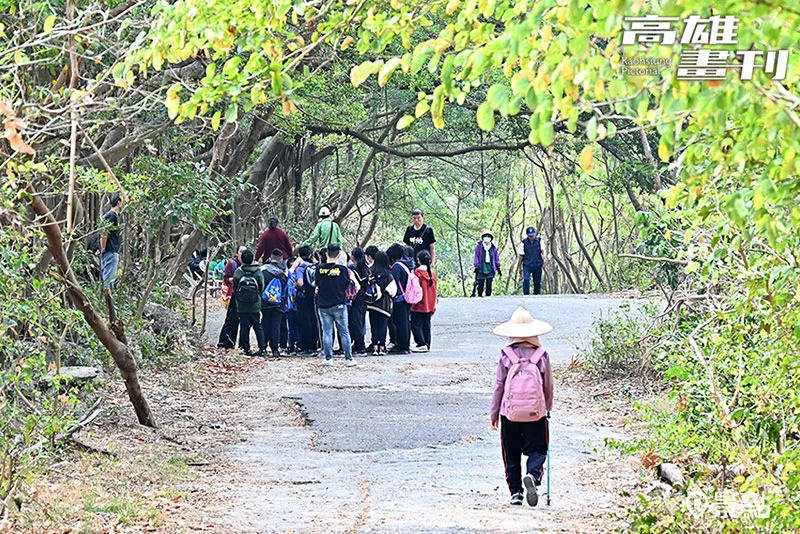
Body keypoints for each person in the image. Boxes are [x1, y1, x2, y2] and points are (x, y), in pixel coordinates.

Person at [489, 305, 553, 507]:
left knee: (511, 451)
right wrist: (547, 408)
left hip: (510, 414)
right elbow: (548, 385)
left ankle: (515, 492)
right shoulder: (541, 355)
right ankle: (533, 476)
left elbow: (499, 385)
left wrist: (494, 413)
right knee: (539, 448)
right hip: (536, 413)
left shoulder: (506, 355)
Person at [314, 244, 356, 367]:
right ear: (338, 256)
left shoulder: (319, 269)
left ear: (326, 254)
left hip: (323, 305)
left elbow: (316, 284)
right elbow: (346, 284)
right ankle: (348, 359)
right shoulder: (343, 270)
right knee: (344, 331)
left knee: (327, 332)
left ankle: (328, 358)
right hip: (339, 304)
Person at [233, 249, 267, 357]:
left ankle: (246, 349)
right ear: (253, 259)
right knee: (258, 326)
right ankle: (262, 348)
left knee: (244, 326)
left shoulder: (238, 271)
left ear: (241, 259)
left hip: (242, 305)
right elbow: (262, 286)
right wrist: (257, 298)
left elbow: (235, 286)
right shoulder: (258, 271)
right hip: (255, 304)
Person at [260, 249, 288, 357]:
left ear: (270, 258)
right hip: (278, 302)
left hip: (265, 301)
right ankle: (275, 349)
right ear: (281, 260)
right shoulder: (284, 272)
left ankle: (263, 347)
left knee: (265, 323)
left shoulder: (263, 270)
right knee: (276, 325)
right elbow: (286, 288)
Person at [365, 251, 394, 355]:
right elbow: (392, 291)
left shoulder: (370, 272)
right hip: (384, 305)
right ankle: (381, 347)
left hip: (372, 304)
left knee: (374, 325)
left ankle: (374, 346)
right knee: (382, 325)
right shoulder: (388, 274)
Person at [217, 245, 246, 349]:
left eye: (244, 252)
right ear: (237, 253)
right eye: (241, 251)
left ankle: (242, 345)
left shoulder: (247, 264)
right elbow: (226, 278)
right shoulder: (232, 264)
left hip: (244, 296)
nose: (242, 254)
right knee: (231, 319)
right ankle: (225, 342)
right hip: (232, 294)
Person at [291, 245, 318, 355]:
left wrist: (296, 285)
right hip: (313, 296)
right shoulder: (314, 266)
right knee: (313, 320)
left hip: (303, 297)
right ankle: (314, 346)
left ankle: (305, 347)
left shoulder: (301, 268)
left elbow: (300, 282)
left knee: (303, 322)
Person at [387, 243, 413, 354]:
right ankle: (405, 345)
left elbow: (393, 281)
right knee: (405, 322)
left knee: (400, 322)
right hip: (406, 297)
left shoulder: (397, 266)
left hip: (399, 298)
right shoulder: (407, 263)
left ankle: (402, 347)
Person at [410, 250, 437, 353]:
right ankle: (427, 344)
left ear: (418, 260)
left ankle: (421, 343)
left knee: (415, 324)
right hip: (430, 304)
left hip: (419, 304)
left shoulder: (417, 273)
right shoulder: (432, 274)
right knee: (426, 325)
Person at [348, 247, 370, 354]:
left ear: (353, 257)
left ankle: (360, 346)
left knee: (355, 322)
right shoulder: (366, 268)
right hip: (364, 298)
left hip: (357, 298)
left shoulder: (355, 270)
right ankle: (359, 344)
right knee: (360, 322)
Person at [99, 193, 123, 289]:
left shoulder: (113, 216)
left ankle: (108, 301)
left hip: (112, 251)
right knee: (109, 278)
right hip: (110, 251)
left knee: (109, 277)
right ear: (118, 202)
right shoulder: (111, 216)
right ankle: (108, 302)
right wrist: (103, 248)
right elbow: (104, 233)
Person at [473, 229, 501, 297]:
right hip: (481, 268)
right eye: (485, 236)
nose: (487, 238)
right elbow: (476, 256)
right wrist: (476, 265)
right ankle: (479, 296)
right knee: (480, 285)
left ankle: (488, 298)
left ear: (491, 238)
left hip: (490, 268)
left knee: (489, 285)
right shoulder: (479, 247)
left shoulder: (493, 248)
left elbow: (496, 257)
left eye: (489, 236)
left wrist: (498, 267)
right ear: (483, 238)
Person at [520, 226, 544, 295]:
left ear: (535, 234)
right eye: (529, 236)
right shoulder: (524, 243)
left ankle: (536, 296)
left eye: (532, 235)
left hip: (537, 264)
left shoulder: (539, 241)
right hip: (527, 265)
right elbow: (521, 255)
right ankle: (526, 295)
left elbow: (543, 251)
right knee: (526, 279)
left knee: (537, 282)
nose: (531, 237)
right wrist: (519, 267)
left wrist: (544, 260)